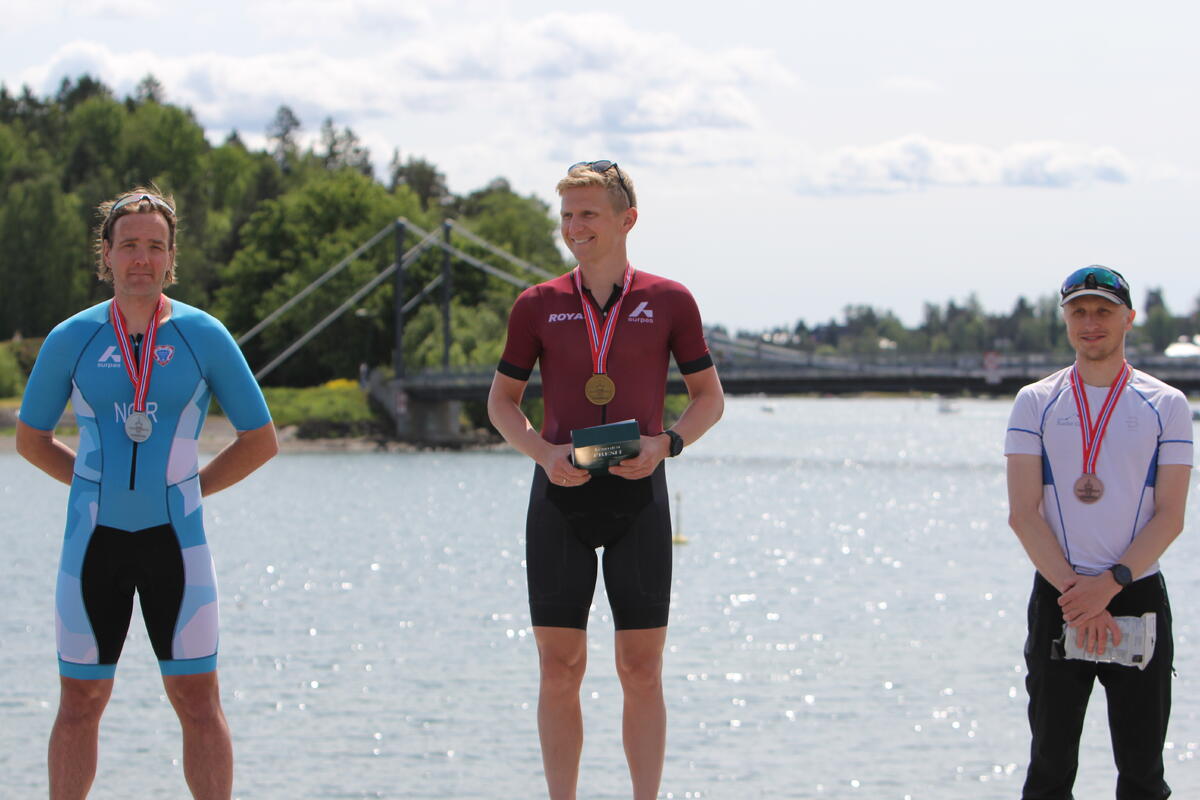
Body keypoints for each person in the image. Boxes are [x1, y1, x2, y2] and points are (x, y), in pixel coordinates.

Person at [16, 187, 278, 799]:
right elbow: (30, 440)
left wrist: (190, 490)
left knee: (197, 698)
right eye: (129, 245)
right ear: (105, 254)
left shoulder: (203, 335)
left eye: (155, 247)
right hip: (92, 545)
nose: (142, 258)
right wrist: (93, 486)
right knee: (80, 700)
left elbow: (260, 440)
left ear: (171, 258)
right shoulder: (72, 338)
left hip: (177, 544)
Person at [487, 161, 724, 799]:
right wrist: (542, 453)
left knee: (641, 670)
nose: (575, 227)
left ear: (627, 220)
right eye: (567, 215)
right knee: (559, 668)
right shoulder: (537, 305)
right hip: (559, 497)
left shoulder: (670, 301)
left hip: (638, 496)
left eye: (588, 213)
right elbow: (501, 403)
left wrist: (667, 443)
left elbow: (709, 398)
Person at [1005, 265, 1191, 799]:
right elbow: (1023, 514)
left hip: (1135, 592)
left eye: (1104, 311)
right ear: (1065, 320)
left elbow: (1170, 516)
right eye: (1079, 312)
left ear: (1128, 319)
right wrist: (1079, 598)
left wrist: (1106, 587)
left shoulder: (1167, 405)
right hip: (1059, 596)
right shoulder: (1035, 401)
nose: (1091, 323)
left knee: (1142, 775)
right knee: (1049, 771)